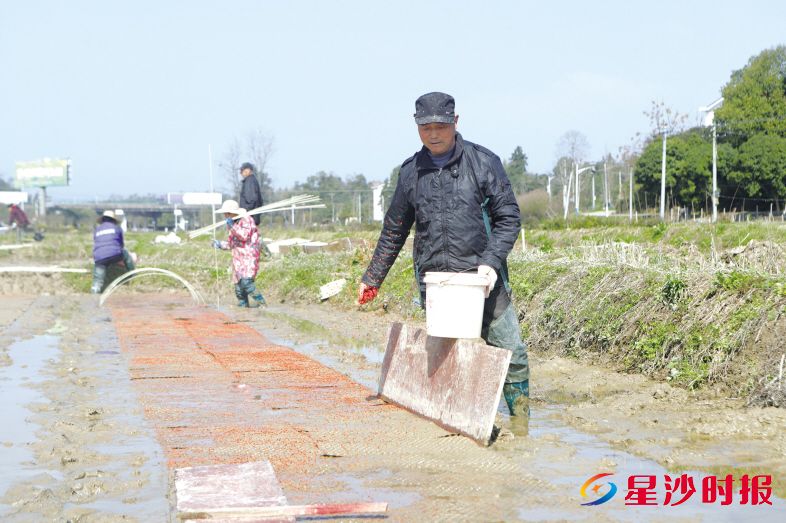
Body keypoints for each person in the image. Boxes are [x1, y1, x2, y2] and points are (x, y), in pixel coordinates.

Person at [357, 92, 530, 420]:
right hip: (438, 284)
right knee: (448, 357)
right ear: (416, 127)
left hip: (483, 279)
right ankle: (460, 421)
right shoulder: (411, 172)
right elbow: (395, 229)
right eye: (425, 128)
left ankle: (520, 421)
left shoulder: (483, 162)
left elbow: (509, 217)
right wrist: (372, 277)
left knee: (512, 352)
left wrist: (491, 263)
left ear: (455, 123)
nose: (433, 134)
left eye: (440, 126)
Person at [212, 199, 266, 308]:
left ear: (234, 213)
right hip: (238, 260)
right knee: (239, 288)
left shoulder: (247, 220)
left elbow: (244, 235)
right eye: (225, 214)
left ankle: (263, 305)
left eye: (228, 213)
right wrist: (220, 244)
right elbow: (232, 244)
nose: (225, 216)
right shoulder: (233, 224)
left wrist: (232, 226)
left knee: (247, 283)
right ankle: (243, 308)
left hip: (249, 258)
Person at [91, 210, 136, 294]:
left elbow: (96, 242)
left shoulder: (97, 230)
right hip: (115, 254)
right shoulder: (116, 228)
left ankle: (94, 294)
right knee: (125, 254)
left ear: (103, 220)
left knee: (97, 279)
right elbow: (121, 244)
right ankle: (132, 274)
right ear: (113, 220)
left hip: (99, 257)